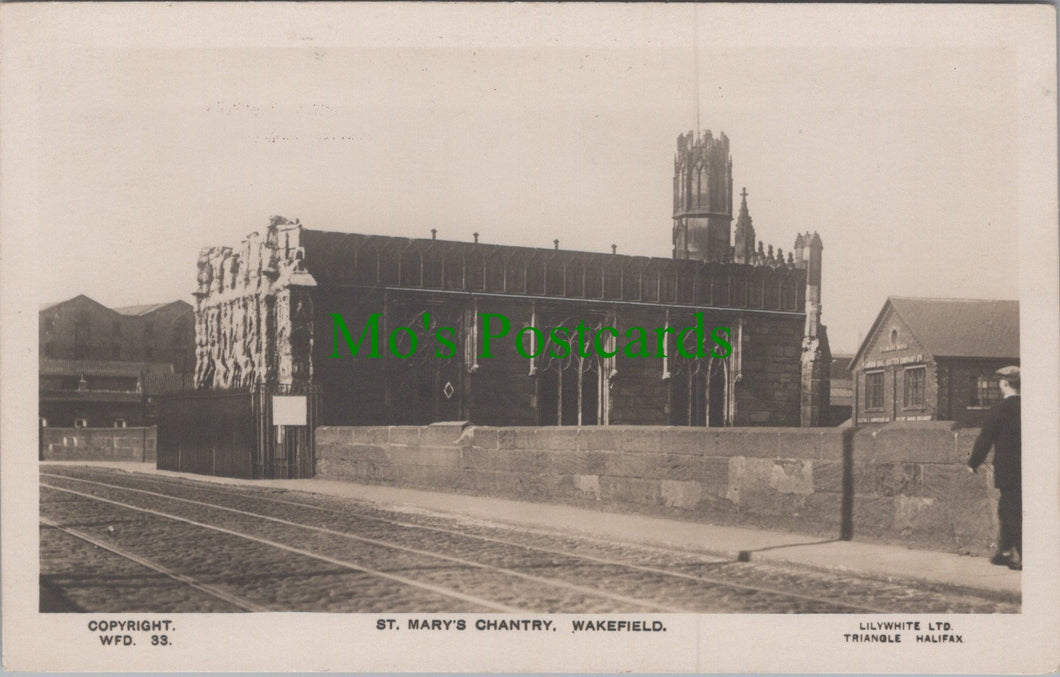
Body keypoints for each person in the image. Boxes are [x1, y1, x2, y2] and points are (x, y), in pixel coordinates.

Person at [968, 365, 1022, 570]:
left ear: (1005, 384)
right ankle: (1005, 551)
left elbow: (985, 440)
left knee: (1013, 511)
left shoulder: (999, 411)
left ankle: (1022, 555)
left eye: (1000, 382)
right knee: (1006, 508)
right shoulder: (1034, 407)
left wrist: (973, 463)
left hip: (1009, 471)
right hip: (1035, 468)